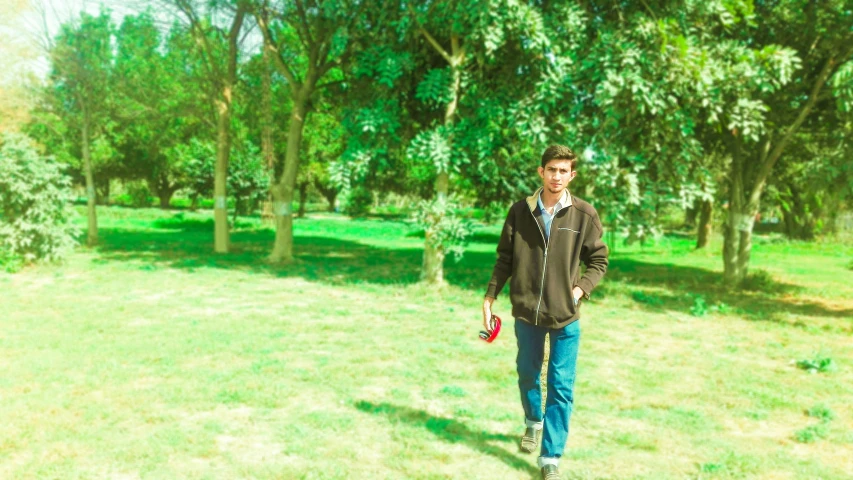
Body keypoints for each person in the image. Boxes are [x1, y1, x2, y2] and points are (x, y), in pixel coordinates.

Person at [483, 144, 609, 480]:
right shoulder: (520, 211)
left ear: (572, 175)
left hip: (566, 316)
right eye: (551, 169)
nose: (557, 176)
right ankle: (532, 422)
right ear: (541, 172)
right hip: (527, 313)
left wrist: (579, 291)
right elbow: (505, 258)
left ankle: (550, 457)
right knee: (527, 372)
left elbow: (598, 260)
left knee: (561, 385)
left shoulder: (584, 214)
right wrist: (489, 297)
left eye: (563, 171)